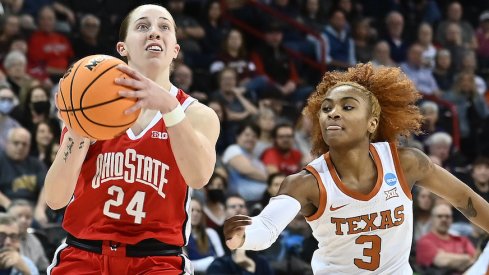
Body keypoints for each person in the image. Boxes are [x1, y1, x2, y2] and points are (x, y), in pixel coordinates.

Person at [224, 63, 489, 274]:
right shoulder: (306, 183)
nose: (333, 113)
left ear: (372, 123)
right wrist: (243, 236)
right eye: (326, 108)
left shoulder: (405, 163)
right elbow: (267, 228)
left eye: (347, 106)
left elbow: (462, 198)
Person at [44, 4, 220, 274]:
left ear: (175, 49)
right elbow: (55, 199)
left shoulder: (198, 114)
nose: (154, 33)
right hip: (84, 253)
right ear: (122, 48)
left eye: (164, 27)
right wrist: (77, 132)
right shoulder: (90, 105)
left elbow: (198, 177)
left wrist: (169, 108)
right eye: (142, 26)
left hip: (157, 260)